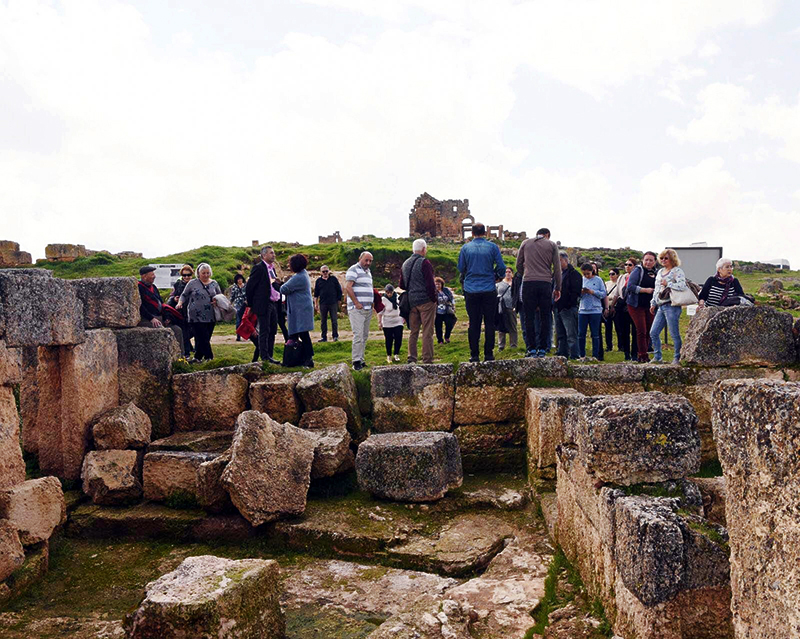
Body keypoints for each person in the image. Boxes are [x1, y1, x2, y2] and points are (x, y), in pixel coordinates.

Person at [457, 223, 506, 362]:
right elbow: (501, 266)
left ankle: (474, 354)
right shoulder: (492, 247)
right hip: (488, 288)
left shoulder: (465, 248)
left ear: (472, 233)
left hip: (471, 289)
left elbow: (461, 267)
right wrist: (497, 275)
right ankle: (489, 354)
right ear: (485, 233)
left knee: (474, 323)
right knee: (489, 322)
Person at [516, 228, 562, 358]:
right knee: (545, 316)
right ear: (547, 235)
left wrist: (524, 273)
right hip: (545, 283)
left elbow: (518, 264)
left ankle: (531, 348)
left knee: (528, 317)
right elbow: (557, 268)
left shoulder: (525, 243)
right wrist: (558, 286)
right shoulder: (552, 244)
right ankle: (542, 348)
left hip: (529, 282)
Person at [400, 239, 437, 364]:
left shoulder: (405, 263)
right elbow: (430, 284)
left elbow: (402, 284)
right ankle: (427, 359)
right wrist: (434, 299)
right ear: (423, 249)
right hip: (426, 301)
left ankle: (412, 358)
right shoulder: (424, 262)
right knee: (427, 331)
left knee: (413, 332)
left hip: (411, 302)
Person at [177, 263, 221, 362]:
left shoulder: (214, 283)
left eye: (207, 273)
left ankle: (197, 357)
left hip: (211, 315)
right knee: (202, 336)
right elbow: (184, 295)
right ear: (198, 273)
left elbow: (220, 295)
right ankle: (209, 357)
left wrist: (216, 301)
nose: (206, 275)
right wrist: (180, 303)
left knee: (206, 337)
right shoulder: (192, 283)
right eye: (203, 273)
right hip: (195, 315)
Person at [245, 246, 281, 365]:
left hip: (272, 302)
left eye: (274, 252)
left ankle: (269, 355)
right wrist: (251, 305)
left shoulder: (272, 269)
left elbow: (271, 285)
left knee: (272, 330)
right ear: (264, 255)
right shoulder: (259, 268)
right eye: (271, 253)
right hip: (262, 303)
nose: (273, 255)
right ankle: (265, 357)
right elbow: (250, 287)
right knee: (264, 330)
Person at [650, 249, 687, 364]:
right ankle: (657, 357)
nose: (663, 260)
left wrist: (668, 284)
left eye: (666, 258)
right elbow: (657, 289)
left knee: (674, 333)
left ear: (672, 259)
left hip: (672, 305)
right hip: (660, 305)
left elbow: (682, 285)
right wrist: (653, 303)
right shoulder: (660, 271)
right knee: (653, 332)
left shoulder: (677, 271)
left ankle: (677, 357)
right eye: (661, 258)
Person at [280, 254, 315, 367]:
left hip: (301, 310)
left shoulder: (298, 277)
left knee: (303, 334)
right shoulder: (303, 274)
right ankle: (299, 358)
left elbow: (283, 289)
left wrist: (277, 283)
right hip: (302, 309)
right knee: (300, 333)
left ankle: (308, 359)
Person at [626, 252, 657, 363]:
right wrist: (645, 290)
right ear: (642, 260)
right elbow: (630, 286)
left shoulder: (656, 272)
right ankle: (642, 355)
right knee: (641, 330)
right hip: (636, 304)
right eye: (646, 260)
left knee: (649, 330)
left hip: (649, 305)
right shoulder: (637, 271)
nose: (648, 262)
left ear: (655, 262)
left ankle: (646, 352)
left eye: (651, 260)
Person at [345, 252, 374, 371]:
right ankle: (356, 361)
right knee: (358, 335)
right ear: (360, 258)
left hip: (368, 308)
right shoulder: (353, 269)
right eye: (366, 260)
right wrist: (356, 302)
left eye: (370, 261)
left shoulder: (368, 272)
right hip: (357, 309)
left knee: (364, 335)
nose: (368, 263)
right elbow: (348, 287)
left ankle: (361, 360)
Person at [553, 251, 581, 359]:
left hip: (568, 308)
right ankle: (562, 354)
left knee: (571, 334)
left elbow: (576, 292)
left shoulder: (574, 274)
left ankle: (574, 355)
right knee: (560, 334)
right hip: (557, 307)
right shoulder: (555, 274)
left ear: (565, 260)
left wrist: (568, 304)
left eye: (559, 261)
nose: (557, 263)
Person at [578, 263, 606, 359]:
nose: (586, 276)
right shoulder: (581, 280)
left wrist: (593, 292)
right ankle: (581, 354)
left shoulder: (598, 280)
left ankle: (596, 355)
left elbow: (603, 294)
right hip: (583, 310)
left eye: (588, 274)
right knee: (581, 334)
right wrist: (581, 292)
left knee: (595, 334)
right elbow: (576, 296)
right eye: (584, 274)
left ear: (592, 271)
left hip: (595, 310)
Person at [610, 261, 634, 360]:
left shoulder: (636, 276)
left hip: (632, 304)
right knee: (623, 331)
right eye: (626, 264)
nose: (627, 266)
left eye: (630, 265)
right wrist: (612, 306)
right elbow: (616, 293)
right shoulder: (621, 277)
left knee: (635, 331)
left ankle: (635, 352)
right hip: (621, 304)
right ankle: (626, 353)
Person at [314, 265, 342, 342]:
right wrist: (316, 304)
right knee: (323, 321)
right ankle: (324, 337)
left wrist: (339, 300)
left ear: (329, 271)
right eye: (323, 271)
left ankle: (335, 336)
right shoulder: (318, 281)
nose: (325, 273)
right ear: (321, 272)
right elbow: (316, 294)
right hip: (323, 303)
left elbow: (339, 290)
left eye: (326, 271)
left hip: (333, 302)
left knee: (334, 320)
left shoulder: (333, 279)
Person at [378, 284, 404, 363]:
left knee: (398, 338)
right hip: (387, 321)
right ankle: (389, 355)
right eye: (387, 292)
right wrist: (379, 322)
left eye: (390, 292)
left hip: (398, 320)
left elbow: (402, 307)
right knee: (389, 339)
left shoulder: (397, 298)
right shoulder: (383, 299)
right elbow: (380, 312)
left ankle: (396, 354)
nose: (389, 294)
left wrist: (404, 317)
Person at [496, 266, 518, 350]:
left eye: (509, 272)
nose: (508, 273)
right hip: (501, 307)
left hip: (511, 306)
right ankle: (501, 345)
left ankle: (513, 345)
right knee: (501, 326)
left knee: (513, 326)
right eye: (506, 272)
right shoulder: (499, 284)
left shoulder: (515, 283)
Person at [434, 277, 456, 344]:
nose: (437, 286)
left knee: (449, 324)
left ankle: (447, 337)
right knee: (438, 326)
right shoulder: (433, 292)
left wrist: (453, 305)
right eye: (436, 284)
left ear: (442, 284)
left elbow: (451, 298)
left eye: (439, 284)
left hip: (447, 310)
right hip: (437, 311)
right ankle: (440, 340)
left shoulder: (446, 290)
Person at [603, 268, 621, 353]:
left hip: (617, 308)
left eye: (613, 274)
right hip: (608, 307)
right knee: (608, 328)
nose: (611, 276)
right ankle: (608, 346)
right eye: (610, 274)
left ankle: (621, 346)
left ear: (617, 274)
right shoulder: (606, 283)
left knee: (619, 327)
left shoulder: (619, 284)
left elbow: (618, 296)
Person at [229, 273, 248, 341]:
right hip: (237, 304)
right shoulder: (234, 287)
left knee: (246, 319)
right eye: (238, 279)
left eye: (240, 279)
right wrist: (230, 303)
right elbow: (232, 296)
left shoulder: (246, 286)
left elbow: (248, 294)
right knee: (238, 320)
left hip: (245, 304)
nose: (240, 280)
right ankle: (238, 335)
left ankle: (247, 335)